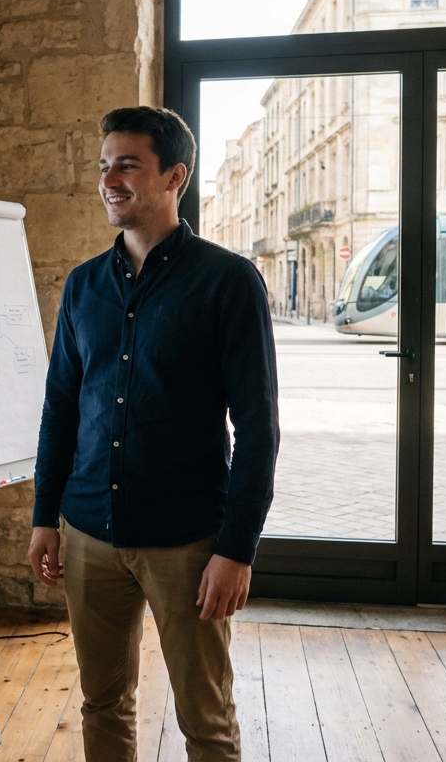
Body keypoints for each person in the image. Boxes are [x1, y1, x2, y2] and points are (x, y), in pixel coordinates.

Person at [28, 106, 279, 762]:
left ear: (175, 176)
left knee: (207, 720)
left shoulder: (227, 282)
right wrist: (44, 516)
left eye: (128, 165)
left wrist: (237, 550)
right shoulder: (83, 286)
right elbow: (60, 409)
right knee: (102, 704)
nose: (111, 178)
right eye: (104, 166)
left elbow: (258, 428)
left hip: (188, 542)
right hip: (88, 534)